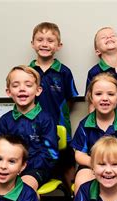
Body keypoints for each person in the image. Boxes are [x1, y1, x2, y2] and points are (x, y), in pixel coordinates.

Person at [0, 65, 58, 191]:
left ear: (38, 90)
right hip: (5, 167)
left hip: (35, 169)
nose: (22, 89)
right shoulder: (5, 120)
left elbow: (50, 154)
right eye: (15, 85)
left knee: (24, 187)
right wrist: (5, 166)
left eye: (28, 85)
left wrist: (21, 167)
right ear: (8, 92)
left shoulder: (46, 119)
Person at [71, 73, 117, 194]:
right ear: (91, 98)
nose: (104, 98)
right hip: (92, 167)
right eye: (98, 94)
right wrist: (99, 166)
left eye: (110, 94)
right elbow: (79, 155)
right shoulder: (85, 124)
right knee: (82, 180)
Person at [29, 21, 79, 189]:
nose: (45, 44)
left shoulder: (64, 72)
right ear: (33, 43)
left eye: (50, 40)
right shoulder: (27, 71)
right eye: (40, 39)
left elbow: (70, 99)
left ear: (58, 45)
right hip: (34, 130)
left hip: (60, 127)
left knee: (67, 162)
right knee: (34, 167)